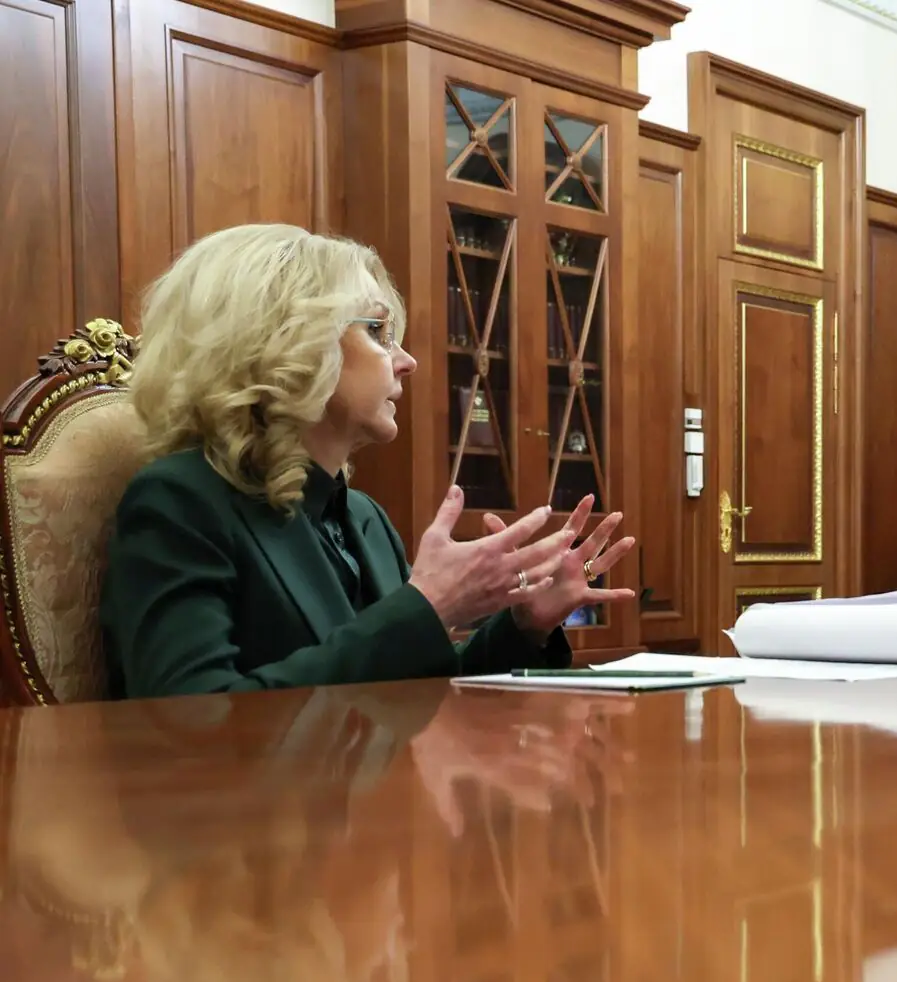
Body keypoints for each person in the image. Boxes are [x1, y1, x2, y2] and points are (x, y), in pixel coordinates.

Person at [101, 223, 637, 699]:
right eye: (379, 332)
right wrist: (427, 606)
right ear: (286, 345)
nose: (408, 361)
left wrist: (523, 627)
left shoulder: (364, 517)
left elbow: (412, 694)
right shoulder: (180, 502)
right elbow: (194, 719)